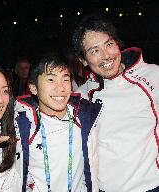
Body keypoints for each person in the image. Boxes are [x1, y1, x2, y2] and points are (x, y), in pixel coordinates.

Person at [72, 15, 159, 192]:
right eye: (94, 51)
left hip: (153, 185)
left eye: (109, 44)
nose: (105, 56)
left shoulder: (152, 75)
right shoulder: (82, 96)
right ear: (83, 60)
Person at [14, 54, 102, 191]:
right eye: (51, 79)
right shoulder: (23, 126)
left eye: (65, 79)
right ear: (33, 88)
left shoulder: (85, 118)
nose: (60, 88)